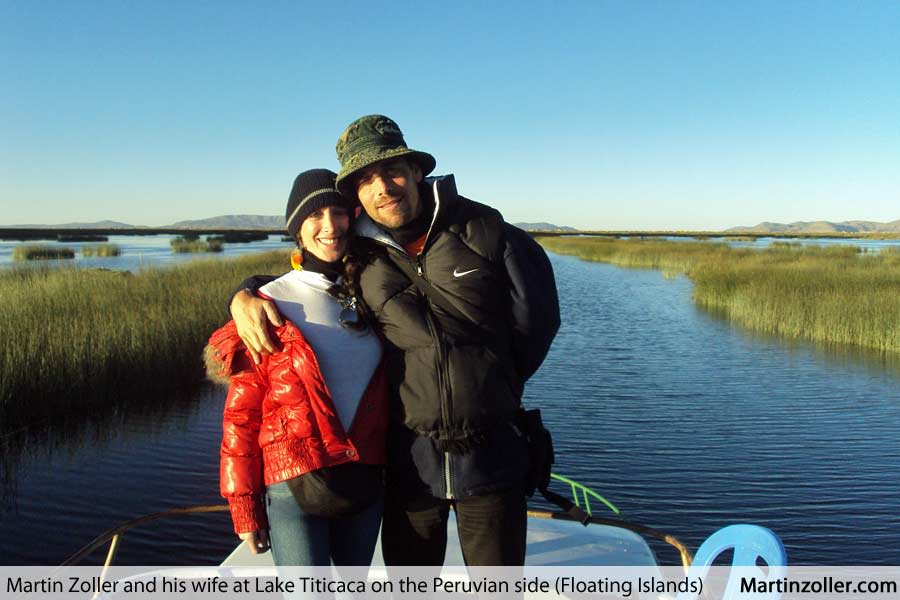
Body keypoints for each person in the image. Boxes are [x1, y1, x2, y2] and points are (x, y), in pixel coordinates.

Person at [229, 115, 560, 566]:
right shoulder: (363, 253)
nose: (383, 186)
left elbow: (537, 323)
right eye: (366, 180)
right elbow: (308, 280)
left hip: (492, 458)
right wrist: (245, 293)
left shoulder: (485, 230)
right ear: (358, 197)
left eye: (392, 170)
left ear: (417, 171)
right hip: (409, 466)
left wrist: (488, 383)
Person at [207, 168, 388, 566]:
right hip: (294, 482)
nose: (330, 226)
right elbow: (241, 417)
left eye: (339, 213)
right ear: (296, 228)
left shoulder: (373, 293)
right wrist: (244, 507)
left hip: (365, 476)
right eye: (314, 216)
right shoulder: (268, 305)